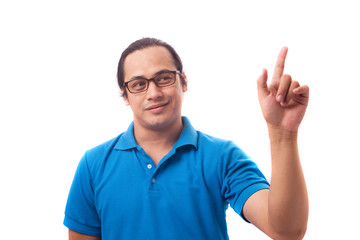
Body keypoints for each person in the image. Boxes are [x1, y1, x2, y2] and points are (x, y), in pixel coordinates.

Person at [64, 38, 309, 240]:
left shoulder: (222, 157)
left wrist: (283, 135)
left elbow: (286, 231)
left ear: (184, 81)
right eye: (139, 84)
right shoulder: (93, 164)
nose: (154, 93)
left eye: (163, 78)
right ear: (125, 95)